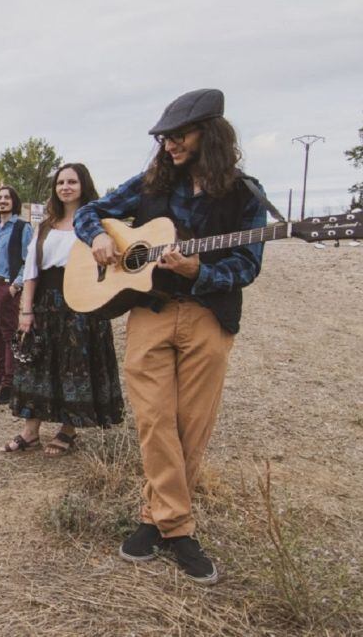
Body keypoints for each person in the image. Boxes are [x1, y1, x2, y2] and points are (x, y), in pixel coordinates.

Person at [75, 88, 267, 585]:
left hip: (207, 316)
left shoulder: (246, 195)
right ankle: (179, 528)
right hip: (152, 312)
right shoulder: (151, 183)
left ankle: (154, 520)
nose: (168, 145)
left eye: (177, 135)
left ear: (211, 134)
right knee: (154, 418)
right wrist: (98, 236)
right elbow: (87, 211)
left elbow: (247, 265)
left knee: (190, 425)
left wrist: (199, 268)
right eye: (163, 137)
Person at [4, 163, 123, 456]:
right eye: (60, 182)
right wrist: (26, 311)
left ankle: (68, 429)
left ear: (83, 185)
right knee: (38, 364)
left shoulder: (99, 225)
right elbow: (31, 272)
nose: (65, 187)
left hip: (84, 303)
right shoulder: (45, 226)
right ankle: (30, 432)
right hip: (47, 302)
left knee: (74, 367)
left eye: (72, 181)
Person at [0, 185, 33, 404]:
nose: (2, 201)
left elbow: (29, 260)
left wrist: (15, 286)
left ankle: (9, 383)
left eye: (7, 197)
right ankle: (1, 372)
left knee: (9, 334)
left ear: (14, 202)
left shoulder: (23, 227)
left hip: (6, 286)